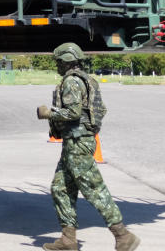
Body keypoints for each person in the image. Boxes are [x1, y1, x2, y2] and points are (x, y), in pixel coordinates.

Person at [36, 42, 140, 251]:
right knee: (60, 188)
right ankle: (68, 240)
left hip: (78, 143)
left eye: (58, 61)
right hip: (75, 142)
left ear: (65, 61)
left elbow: (73, 113)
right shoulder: (87, 80)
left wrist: (48, 113)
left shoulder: (72, 82)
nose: (57, 65)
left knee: (94, 189)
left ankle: (123, 235)